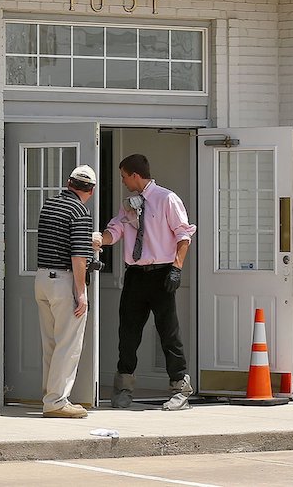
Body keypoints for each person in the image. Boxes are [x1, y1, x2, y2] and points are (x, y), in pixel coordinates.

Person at [93, 153, 196, 411]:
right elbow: (116, 229)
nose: (123, 181)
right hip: (135, 276)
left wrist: (176, 268)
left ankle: (180, 388)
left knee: (168, 332)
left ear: (135, 175)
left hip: (162, 274)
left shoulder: (166, 199)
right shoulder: (129, 203)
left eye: (124, 176)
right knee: (128, 333)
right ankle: (123, 388)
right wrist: (99, 239)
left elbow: (183, 234)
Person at [33, 164, 97, 418]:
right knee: (68, 344)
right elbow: (79, 257)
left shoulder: (49, 205)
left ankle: (49, 396)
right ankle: (57, 401)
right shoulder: (80, 211)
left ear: (69, 183)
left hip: (42, 279)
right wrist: (80, 292)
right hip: (63, 281)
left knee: (50, 343)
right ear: (90, 191)